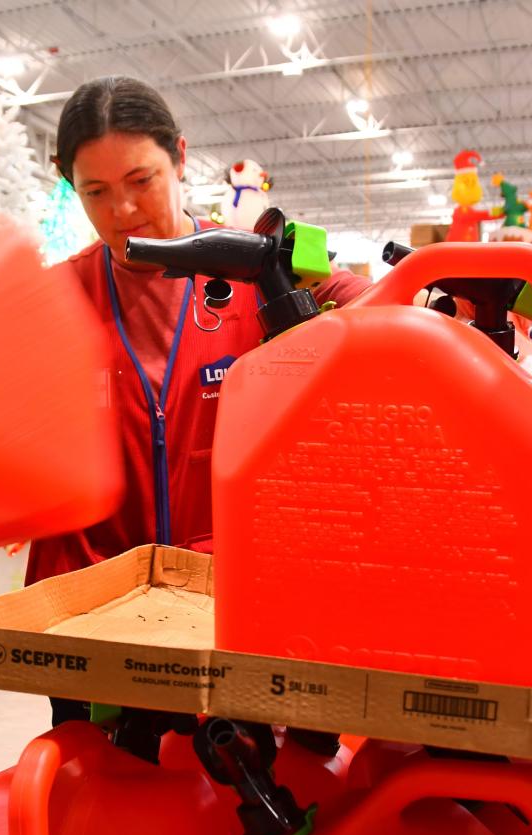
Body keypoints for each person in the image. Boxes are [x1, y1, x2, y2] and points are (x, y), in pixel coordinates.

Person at [25, 76, 371, 589]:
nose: (122, 211)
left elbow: (389, 307)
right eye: (96, 192)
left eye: (142, 181)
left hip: (227, 593)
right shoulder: (54, 300)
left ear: (180, 157)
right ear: (69, 182)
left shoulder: (262, 269)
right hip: (87, 601)